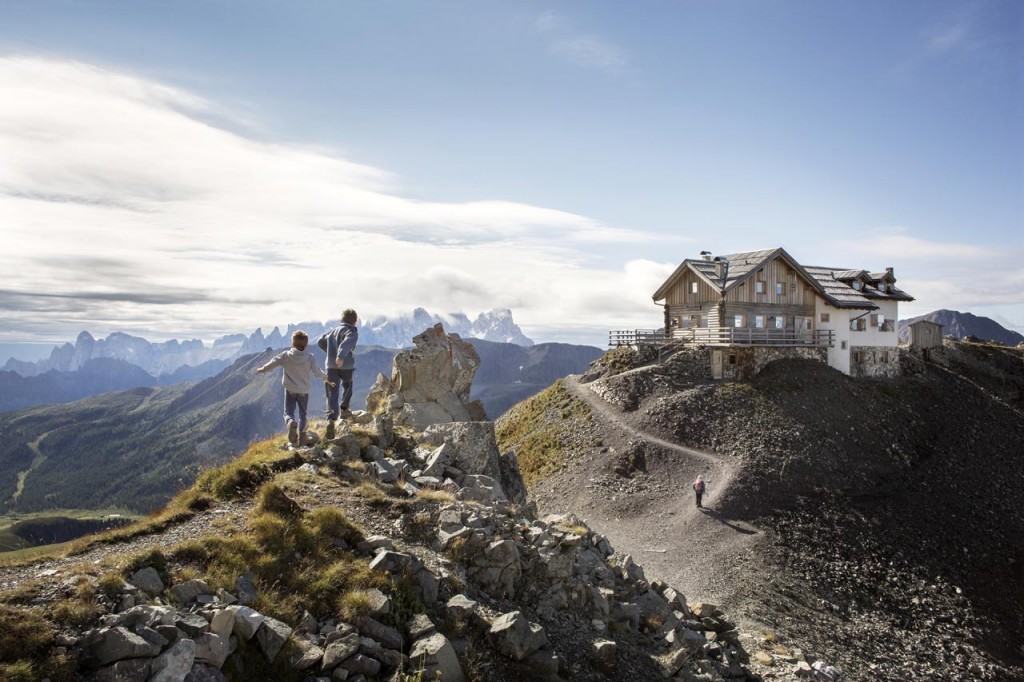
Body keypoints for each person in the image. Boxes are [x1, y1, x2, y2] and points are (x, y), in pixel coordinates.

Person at [256, 330, 334, 446]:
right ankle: (302, 437)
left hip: (290, 390)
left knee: (288, 412)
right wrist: (327, 378)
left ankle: (291, 422)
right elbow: (317, 372)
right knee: (303, 414)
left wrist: (263, 369)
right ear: (306, 345)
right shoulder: (310, 357)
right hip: (304, 391)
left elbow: (273, 362)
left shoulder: (285, 355)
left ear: (292, 343)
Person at [318, 309, 359, 439]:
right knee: (348, 385)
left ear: (341, 320)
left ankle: (331, 419)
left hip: (330, 366)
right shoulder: (351, 331)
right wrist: (340, 356)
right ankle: (345, 409)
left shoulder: (332, 331)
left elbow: (320, 341)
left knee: (332, 390)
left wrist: (330, 351)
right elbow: (348, 341)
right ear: (355, 321)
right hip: (346, 365)